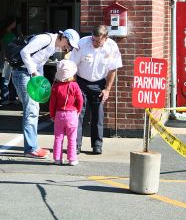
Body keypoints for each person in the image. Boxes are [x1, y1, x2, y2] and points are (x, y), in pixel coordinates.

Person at [11, 29, 80, 159]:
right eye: (69, 44)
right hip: (23, 74)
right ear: (64, 37)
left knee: (34, 110)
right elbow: (24, 52)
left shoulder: (54, 46)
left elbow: (39, 62)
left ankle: (33, 146)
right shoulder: (45, 39)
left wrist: (40, 80)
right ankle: (31, 148)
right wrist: (33, 72)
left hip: (30, 75)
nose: (69, 48)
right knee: (31, 111)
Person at [69, 25, 122, 155]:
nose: (95, 43)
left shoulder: (112, 47)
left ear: (105, 38)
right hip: (81, 82)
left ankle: (97, 144)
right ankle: (76, 145)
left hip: (99, 83)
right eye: (93, 39)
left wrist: (107, 89)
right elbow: (72, 66)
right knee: (78, 114)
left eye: (98, 41)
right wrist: (75, 86)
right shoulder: (82, 43)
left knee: (98, 115)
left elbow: (112, 69)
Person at [49, 60, 83, 166]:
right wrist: (78, 110)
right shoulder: (75, 86)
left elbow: (52, 103)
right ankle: (72, 159)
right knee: (72, 138)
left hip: (59, 114)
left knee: (58, 137)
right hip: (72, 114)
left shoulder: (56, 87)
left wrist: (52, 115)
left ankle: (57, 158)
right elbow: (80, 100)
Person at [0, 17, 18, 106]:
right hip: (7, 60)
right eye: (15, 22)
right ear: (11, 23)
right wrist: (6, 57)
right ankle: (5, 98)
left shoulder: (10, 33)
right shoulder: (6, 34)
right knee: (5, 79)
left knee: (12, 79)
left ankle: (12, 98)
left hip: (11, 58)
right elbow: (4, 47)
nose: (15, 24)